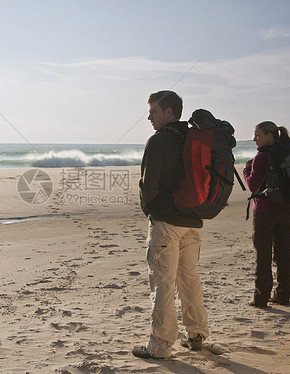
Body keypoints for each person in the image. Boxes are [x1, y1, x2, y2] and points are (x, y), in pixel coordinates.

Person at [132, 90, 210, 360]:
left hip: (166, 222)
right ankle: (197, 333)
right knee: (189, 278)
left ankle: (161, 346)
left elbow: (148, 183)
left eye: (153, 111)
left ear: (169, 111)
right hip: (194, 221)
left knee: (163, 282)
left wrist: (149, 209)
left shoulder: (159, 140)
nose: (149, 117)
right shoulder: (194, 137)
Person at [243, 121, 290, 308]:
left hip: (265, 212)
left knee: (263, 256)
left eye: (258, 135)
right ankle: (283, 295)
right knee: (284, 253)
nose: (254, 139)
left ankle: (260, 298)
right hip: (285, 210)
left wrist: (246, 169)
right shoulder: (285, 153)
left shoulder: (261, 157)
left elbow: (253, 185)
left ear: (269, 135)